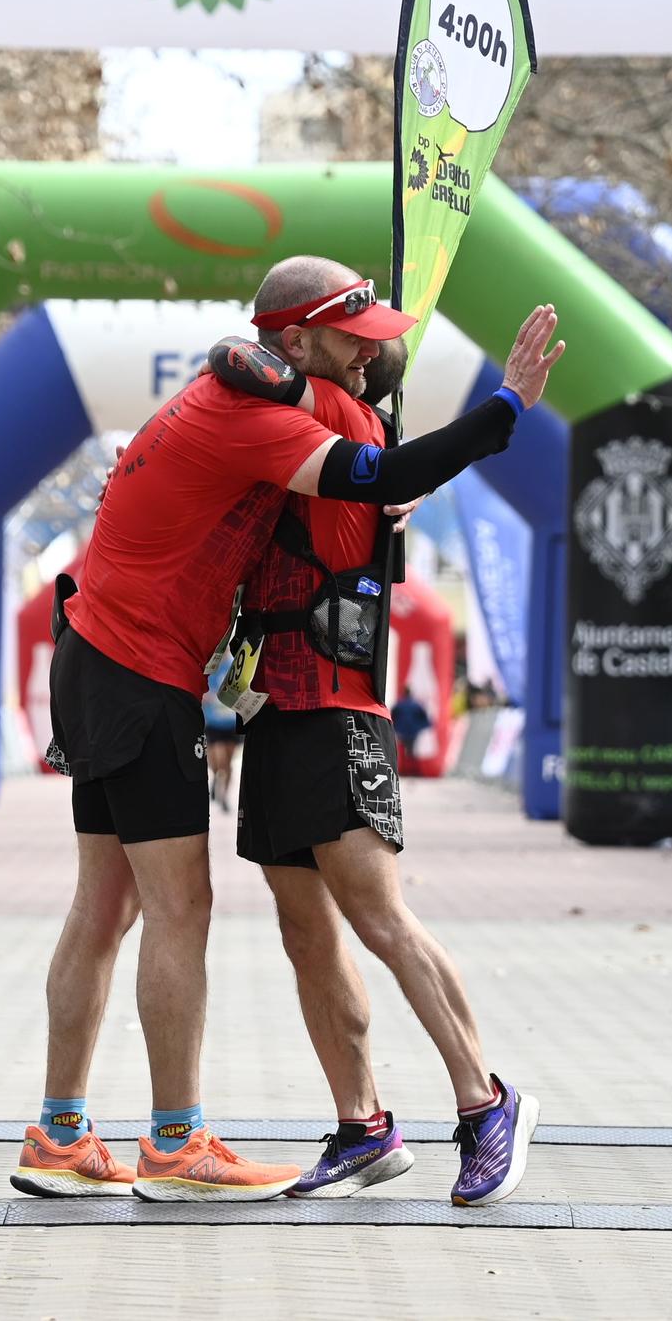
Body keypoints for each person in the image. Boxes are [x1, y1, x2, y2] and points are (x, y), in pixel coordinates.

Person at [15, 254, 560, 1203]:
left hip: (120, 659)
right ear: (300, 341)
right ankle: (181, 1142)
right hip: (155, 675)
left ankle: (69, 1132)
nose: (371, 357)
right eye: (358, 341)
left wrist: (396, 500)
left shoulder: (238, 401)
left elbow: (375, 490)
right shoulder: (268, 416)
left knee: (116, 909)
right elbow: (382, 471)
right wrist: (504, 406)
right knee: (189, 911)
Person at [222, 328, 541, 1204]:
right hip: (275, 712)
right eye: (355, 336)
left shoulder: (330, 408)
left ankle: (487, 1102)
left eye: (372, 345)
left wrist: (503, 407)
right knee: (304, 931)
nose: (367, 352)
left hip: (336, 709)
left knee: (381, 919)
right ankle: (363, 1126)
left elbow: (253, 367)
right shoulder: (310, 419)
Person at [203, 660, 241, 813]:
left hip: (230, 723)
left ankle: (223, 796)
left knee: (227, 763)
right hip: (213, 722)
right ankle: (215, 778)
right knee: (218, 760)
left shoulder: (234, 664)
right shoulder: (210, 665)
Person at [390, 686, 432, 777]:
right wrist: (421, 727)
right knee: (411, 752)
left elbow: (392, 716)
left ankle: (403, 770)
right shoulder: (416, 704)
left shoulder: (399, 704)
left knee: (402, 751)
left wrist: (394, 727)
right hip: (413, 732)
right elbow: (425, 718)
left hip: (401, 732)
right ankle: (413, 771)